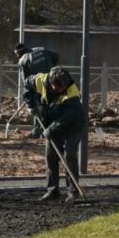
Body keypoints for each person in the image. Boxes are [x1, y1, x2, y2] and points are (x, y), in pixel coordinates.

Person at [23, 66, 88, 202]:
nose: (59, 90)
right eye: (56, 87)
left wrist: (50, 130)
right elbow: (26, 83)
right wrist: (31, 105)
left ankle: (73, 192)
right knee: (51, 155)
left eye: (61, 88)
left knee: (69, 154)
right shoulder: (40, 80)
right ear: (51, 82)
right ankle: (53, 191)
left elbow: (67, 118)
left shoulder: (72, 94)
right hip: (53, 121)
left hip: (74, 124)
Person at [14, 42, 59, 137]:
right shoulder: (41, 49)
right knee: (51, 107)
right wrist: (50, 66)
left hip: (39, 84)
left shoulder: (22, 61)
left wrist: (30, 104)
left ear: (18, 53)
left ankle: (38, 132)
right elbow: (56, 56)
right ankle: (51, 131)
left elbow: (26, 82)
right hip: (53, 80)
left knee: (39, 108)